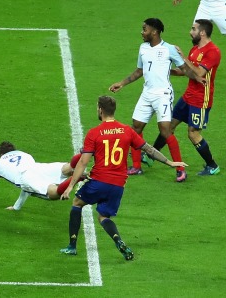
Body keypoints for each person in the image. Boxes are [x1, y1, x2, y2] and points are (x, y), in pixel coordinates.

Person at [60, 96, 188, 260]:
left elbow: (83, 162)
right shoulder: (127, 130)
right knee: (103, 217)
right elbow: (148, 149)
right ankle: (118, 241)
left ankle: (72, 246)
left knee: (77, 203)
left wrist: (70, 186)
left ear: (100, 109)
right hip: (118, 185)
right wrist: (169, 162)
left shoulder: (94, 133)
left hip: (99, 180)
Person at [109, 18, 203, 182]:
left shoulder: (169, 49)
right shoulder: (143, 48)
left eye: (144, 29)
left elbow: (184, 69)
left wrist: (197, 77)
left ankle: (180, 169)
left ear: (154, 31)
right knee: (136, 127)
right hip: (147, 93)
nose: (142, 32)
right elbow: (140, 71)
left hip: (163, 94)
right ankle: (136, 166)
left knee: (165, 130)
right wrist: (122, 83)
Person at [166, 19, 222, 176]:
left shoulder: (213, 51)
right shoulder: (194, 49)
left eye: (193, 29)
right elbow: (187, 71)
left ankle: (212, 166)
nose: (190, 32)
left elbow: (199, 72)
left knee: (193, 133)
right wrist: (167, 70)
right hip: (188, 96)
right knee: (168, 126)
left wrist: (183, 57)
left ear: (202, 32)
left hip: (201, 99)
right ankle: (150, 156)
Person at [0, 141, 83, 211]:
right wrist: (16, 207)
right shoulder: (22, 153)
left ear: (1, 155)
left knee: (55, 193)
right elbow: (26, 190)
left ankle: (77, 179)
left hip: (25, 177)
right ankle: (84, 153)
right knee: (67, 168)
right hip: (38, 167)